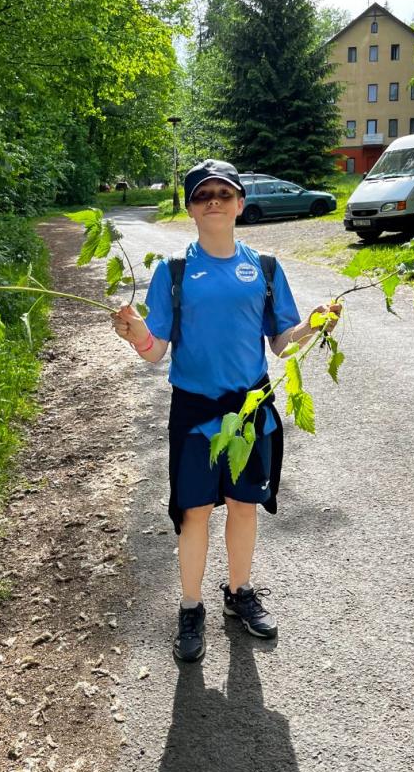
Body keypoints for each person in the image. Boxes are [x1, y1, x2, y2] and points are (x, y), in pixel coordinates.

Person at [112, 159, 340, 663]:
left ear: (240, 203)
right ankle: (190, 607)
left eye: (223, 193)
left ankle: (239, 594)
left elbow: (281, 343)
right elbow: (155, 350)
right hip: (194, 410)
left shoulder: (265, 268)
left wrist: (314, 325)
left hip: (249, 409)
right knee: (193, 511)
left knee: (243, 504)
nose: (213, 201)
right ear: (191, 209)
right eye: (202, 195)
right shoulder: (173, 272)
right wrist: (135, 333)